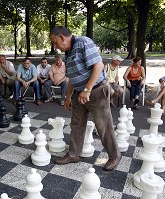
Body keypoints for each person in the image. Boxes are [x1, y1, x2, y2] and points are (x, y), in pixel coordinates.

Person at [50, 26, 121, 171]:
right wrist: (68, 97)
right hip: (78, 94)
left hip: (96, 91)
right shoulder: (68, 53)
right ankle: (74, 154)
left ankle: (114, 156)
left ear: (63, 37)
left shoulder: (83, 42)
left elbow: (99, 66)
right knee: (76, 124)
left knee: (103, 125)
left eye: (55, 42)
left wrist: (87, 90)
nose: (55, 46)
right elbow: (72, 78)